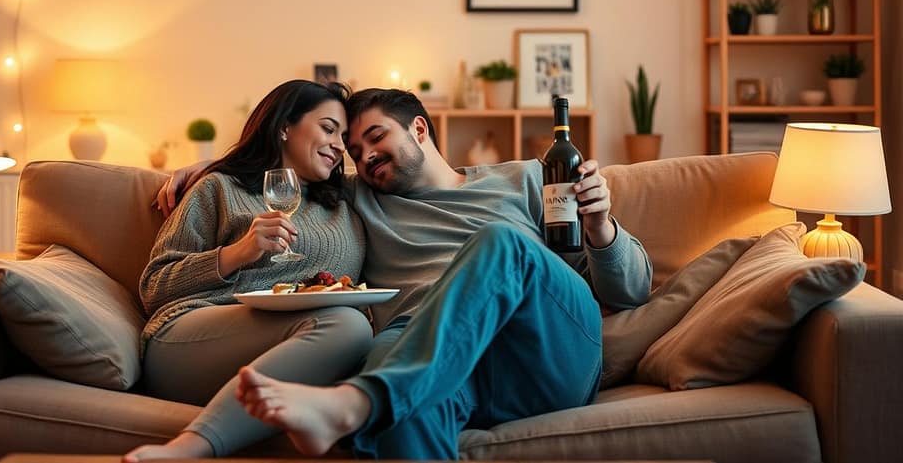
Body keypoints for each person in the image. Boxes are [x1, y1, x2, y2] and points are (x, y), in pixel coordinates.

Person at [160, 88, 652, 460]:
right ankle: (379, 398)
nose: (366, 156)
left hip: (543, 352)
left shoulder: (526, 177)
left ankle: (357, 403)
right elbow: (288, 165)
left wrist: (600, 226)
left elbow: (630, 291)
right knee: (391, 375)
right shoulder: (356, 199)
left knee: (503, 243)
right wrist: (212, 167)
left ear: (419, 129)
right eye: (354, 151)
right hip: (433, 359)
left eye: (376, 137)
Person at [123, 80, 372, 461]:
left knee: (358, 334)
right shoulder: (218, 188)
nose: (340, 146)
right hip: (190, 338)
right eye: (328, 128)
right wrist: (238, 253)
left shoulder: (345, 201)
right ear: (284, 126)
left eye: (345, 138)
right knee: (349, 326)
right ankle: (191, 447)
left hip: (301, 340)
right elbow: (155, 285)